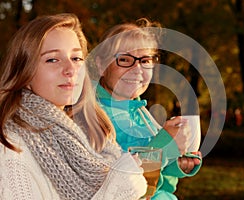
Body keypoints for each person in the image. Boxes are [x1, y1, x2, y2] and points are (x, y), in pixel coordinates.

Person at [0, 13, 147, 200]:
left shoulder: (92, 134)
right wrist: (120, 189)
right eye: (52, 59)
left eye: (76, 58)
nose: (70, 69)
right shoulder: (11, 149)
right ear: (24, 72)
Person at [92, 18, 202, 199]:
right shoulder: (94, 115)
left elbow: (152, 172)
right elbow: (120, 184)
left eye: (145, 60)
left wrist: (177, 163)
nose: (137, 68)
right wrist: (164, 147)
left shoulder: (140, 111)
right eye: (125, 59)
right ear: (101, 65)